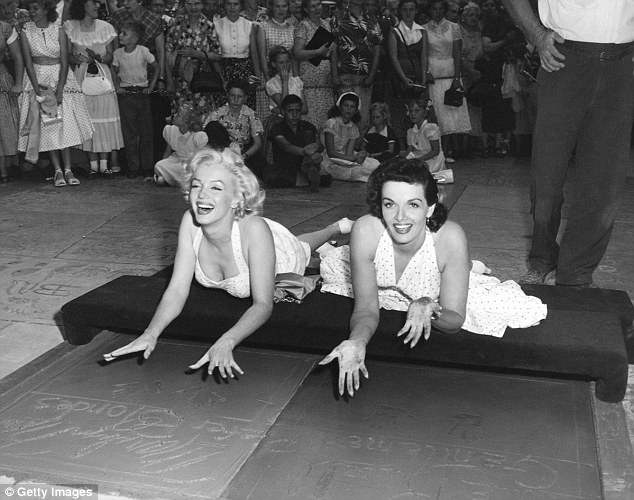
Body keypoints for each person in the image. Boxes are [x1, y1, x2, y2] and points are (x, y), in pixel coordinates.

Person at [103, 147, 354, 378]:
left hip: (276, 251)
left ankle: (335, 228)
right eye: (197, 185)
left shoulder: (253, 229)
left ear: (235, 198)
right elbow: (178, 289)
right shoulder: (190, 222)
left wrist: (226, 340)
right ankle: (329, 235)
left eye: (216, 188)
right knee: (299, 244)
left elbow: (263, 304)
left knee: (299, 247)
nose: (201, 196)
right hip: (253, 242)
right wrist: (151, 333)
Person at [319, 158, 547, 396]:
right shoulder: (366, 230)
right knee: (327, 261)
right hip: (385, 286)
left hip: (434, 277)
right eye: (390, 204)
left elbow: (455, 320)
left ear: (430, 207)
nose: (400, 217)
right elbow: (366, 308)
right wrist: (357, 341)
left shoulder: (450, 237)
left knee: (486, 293)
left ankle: (468, 266)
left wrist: (429, 306)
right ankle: (331, 235)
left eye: (413, 205)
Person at [503, 0, 634, 288]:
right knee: (546, 174)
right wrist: (536, 34)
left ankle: (576, 272)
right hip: (564, 59)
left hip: (623, 65)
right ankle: (542, 259)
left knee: (605, 181)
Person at [18, 0, 93, 187]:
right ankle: (58, 170)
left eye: (35, 9)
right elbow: (28, 62)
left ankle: (68, 169)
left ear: (46, 10)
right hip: (39, 79)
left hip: (60, 78)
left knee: (65, 124)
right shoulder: (26, 31)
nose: (32, 12)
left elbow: (65, 61)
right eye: (30, 9)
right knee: (49, 125)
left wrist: (59, 90)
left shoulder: (59, 30)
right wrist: (38, 90)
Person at [65, 0, 123, 178]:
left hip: (102, 77)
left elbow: (113, 56)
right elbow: (67, 55)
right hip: (82, 77)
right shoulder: (71, 27)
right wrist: (77, 59)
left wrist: (102, 58)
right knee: (88, 119)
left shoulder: (106, 27)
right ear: (82, 5)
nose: (98, 6)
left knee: (103, 118)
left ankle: (104, 164)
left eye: (98, 3)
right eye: (93, 3)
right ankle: (92, 165)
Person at [112, 20, 159, 178]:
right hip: (126, 95)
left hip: (142, 94)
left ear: (135, 38)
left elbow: (157, 67)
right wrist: (118, 85)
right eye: (120, 32)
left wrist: (151, 87)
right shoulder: (118, 53)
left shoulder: (143, 51)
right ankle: (133, 167)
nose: (120, 35)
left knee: (146, 132)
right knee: (129, 133)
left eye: (125, 33)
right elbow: (114, 69)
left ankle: (147, 166)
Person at [424, 0, 470, 161]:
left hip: (451, 72)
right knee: (437, 112)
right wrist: (426, 72)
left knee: (453, 112)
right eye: (434, 9)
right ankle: (441, 151)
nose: (437, 12)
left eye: (440, 9)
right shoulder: (424, 29)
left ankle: (455, 150)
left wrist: (457, 77)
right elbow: (423, 53)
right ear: (429, 10)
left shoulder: (454, 27)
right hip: (434, 73)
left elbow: (457, 53)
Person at [165, 0, 222, 123]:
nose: (193, 7)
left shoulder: (208, 25)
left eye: (196, 3)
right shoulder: (175, 24)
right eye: (189, 3)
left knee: (203, 123)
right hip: (180, 83)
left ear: (202, 4)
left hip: (203, 82)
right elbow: (167, 53)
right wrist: (169, 81)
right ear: (184, 5)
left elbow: (218, 56)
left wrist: (196, 54)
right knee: (181, 123)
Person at [330, 0, 383, 131]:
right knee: (342, 120)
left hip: (365, 78)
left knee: (363, 120)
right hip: (344, 75)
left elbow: (377, 49)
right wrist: (335, 75)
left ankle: (359, 150)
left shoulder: (372, 19)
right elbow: (333, 48)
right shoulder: (338, 18)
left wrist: (372, 76)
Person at [386, 0, 426, 146]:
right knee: (399, 112)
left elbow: (424, 56)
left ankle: (419, 146)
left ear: (416, 11)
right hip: (399, 79)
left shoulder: (422, 31)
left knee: (417, 112)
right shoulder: (394, 31)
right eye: (405, 10)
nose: (408, 13)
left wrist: (423, 77)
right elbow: (393, 57)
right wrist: (403, 78)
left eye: (411, 9)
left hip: (416, 77)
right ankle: (403, 148)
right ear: (400, 11)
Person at [206, 78, 265, 177]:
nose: (236, 100)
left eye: (240, 96)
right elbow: (206, 134)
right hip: (224, 151)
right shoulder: (218, 113)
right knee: (212, 126)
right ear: (227, 96)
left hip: (245, 152)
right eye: (232, 96)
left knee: (261, 170)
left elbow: (258, 143)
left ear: (245, 98)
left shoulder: (251, 114)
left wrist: (243, 156)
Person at [267, 93, 326, 189]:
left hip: (305, 163)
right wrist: (307, 152)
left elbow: (319, 145)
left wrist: (316, 147)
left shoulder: (308, 126)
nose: (294, 115)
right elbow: (287, 147)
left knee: (308, 134)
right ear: (283, 111)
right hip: (286, 166)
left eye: (297, 111)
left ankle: (307, 172)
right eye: (290, 111)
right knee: (270, 174)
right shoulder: (277, 128)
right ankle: (306, 179)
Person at [292, 0, 334, 132]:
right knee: (311, 123)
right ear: (306, 9)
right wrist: (317, 52)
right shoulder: (303, 26)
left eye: (319, 5)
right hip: (310, 84)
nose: (317, 8)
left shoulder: (326, 24)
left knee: (327, 123)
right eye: (313, 6)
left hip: (325, 84)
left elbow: (332, 51)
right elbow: (297, 52)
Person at [320, 92, 380, 182]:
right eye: (345, 106)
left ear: (356, 110)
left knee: (374, 164)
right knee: (353, 172)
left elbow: (349, 152)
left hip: (344, 158)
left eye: (352, 107)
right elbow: (331, 152)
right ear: (340, 107)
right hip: (330, 159)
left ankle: (370, 175)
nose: (348, 109)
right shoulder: (331, 123)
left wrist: (357, 158)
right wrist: (351, 159)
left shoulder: (353, 127)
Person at [214, 0, 259, 109]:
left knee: (246, 107)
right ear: (224, 6)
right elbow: (214, 55)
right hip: (224, 71)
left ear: (241, 6)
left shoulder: (249, 25)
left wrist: (258, 77)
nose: (232, 7)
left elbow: (254, 53)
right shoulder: (216, 25)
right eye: (229, 4)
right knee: (224, 107)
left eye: (236, 4)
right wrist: (220, 77)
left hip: (245, 71)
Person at [154, 103, 208, 185]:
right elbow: (167, 152)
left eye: (178, 114)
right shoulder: (171, 130)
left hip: (191, 163)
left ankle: (170, 179)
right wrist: (159, 169)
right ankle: (171, 178)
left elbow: (202, 157)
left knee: (192, 170)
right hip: (176, 161)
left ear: (186, 120)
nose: (175, 115)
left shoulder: (197, 136)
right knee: (159, 165)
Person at [0, 18, 22, 183]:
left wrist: (18, 83)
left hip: (2, 80)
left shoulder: (4, 28)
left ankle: (4, 170)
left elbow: (18, 57)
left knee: (5, 125)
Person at [402, 95, 445, 173]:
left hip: (432, 161)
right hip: (417, 158)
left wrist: (418, 160)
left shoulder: (431, 128)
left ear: (425, 112)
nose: (413, 114)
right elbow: (409, 151)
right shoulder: (410, 131)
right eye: (411, 111)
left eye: (417, 111)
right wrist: (404, 154)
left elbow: (435, 151)